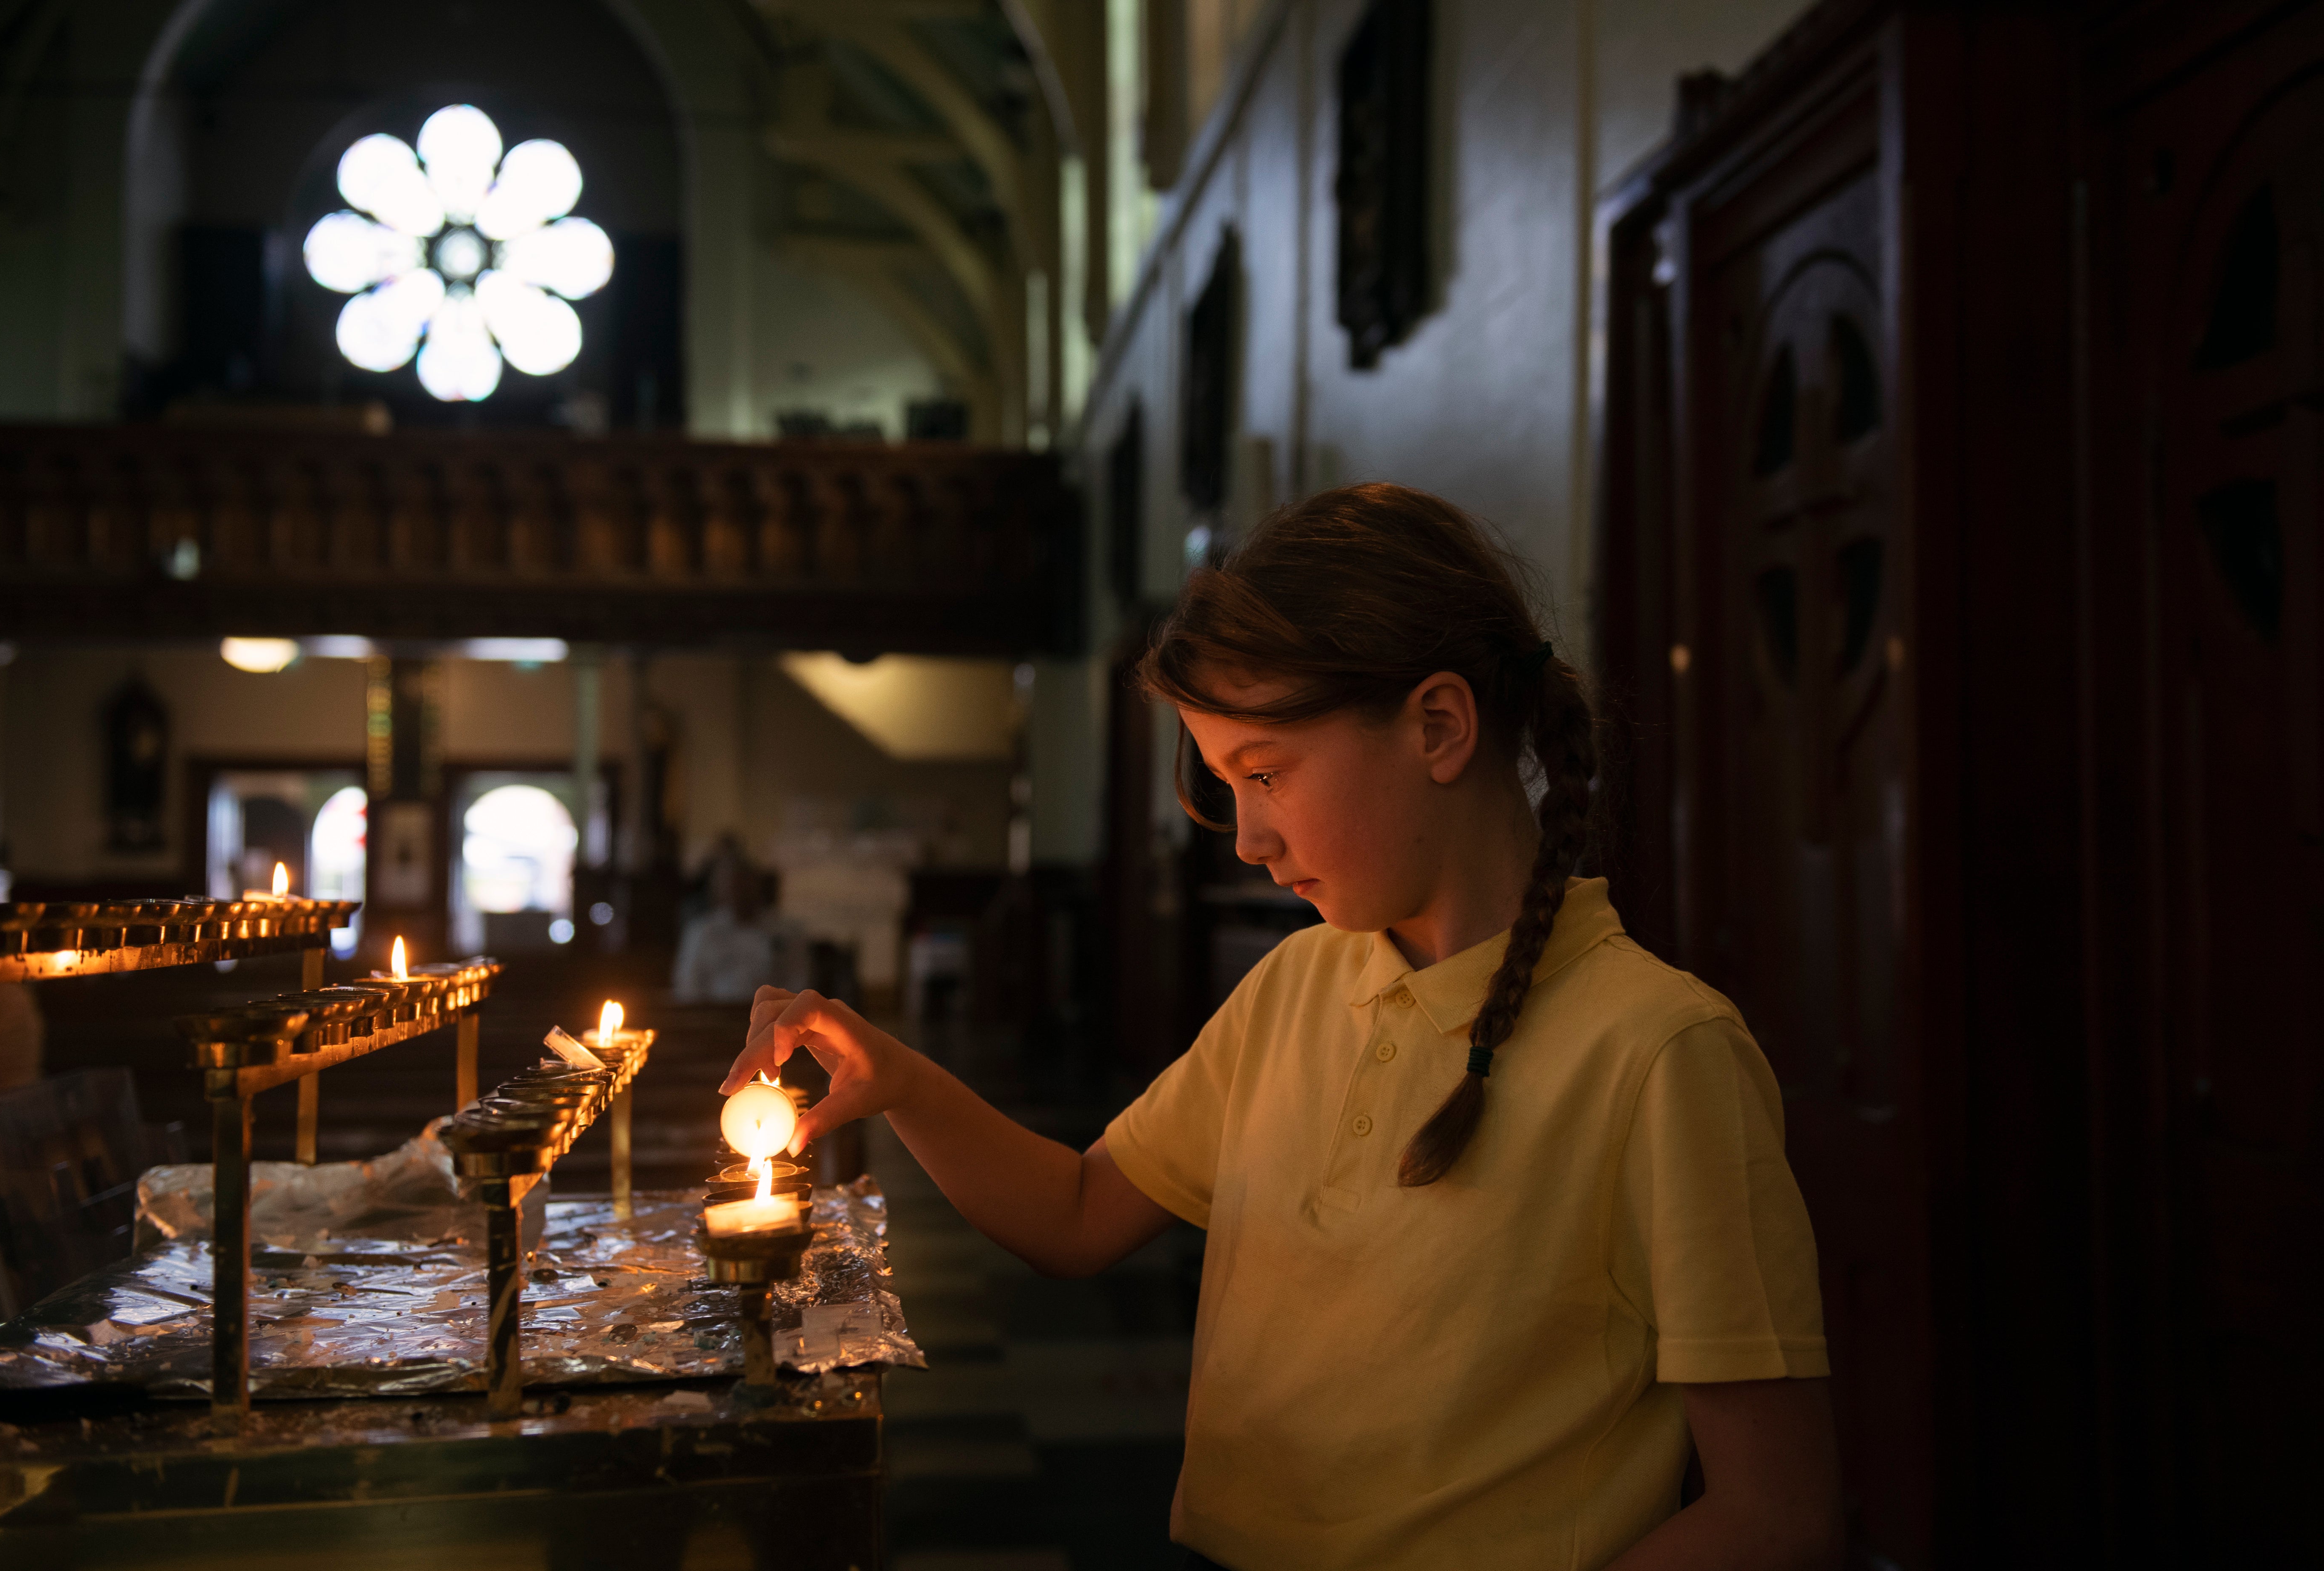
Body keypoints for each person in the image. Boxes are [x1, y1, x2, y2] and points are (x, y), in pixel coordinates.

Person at [722, 483, 1842, 1569]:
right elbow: (1073, 1215)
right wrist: (902, 1080)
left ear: (1439, 727)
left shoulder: (1659, 1054)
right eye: (1226, 783)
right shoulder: (1296, 986)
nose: (1248, 837)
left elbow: (1774, 1516)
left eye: (1266, 773)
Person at [673, 840, 808, 1003]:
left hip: (773, 1018)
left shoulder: (787, 931)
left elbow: (799, 983)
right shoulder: (701, 932)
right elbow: (688, 986)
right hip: (714, 1018)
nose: (739, 891)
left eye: (744, 881)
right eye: (730, 884)